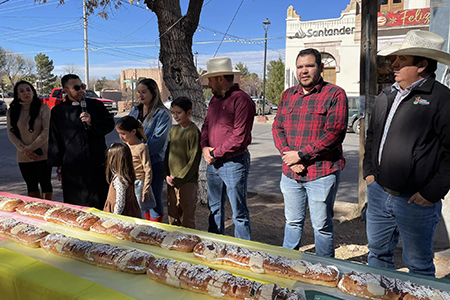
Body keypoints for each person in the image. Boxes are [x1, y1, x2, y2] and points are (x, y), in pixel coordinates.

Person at [363, 30, 450, 277]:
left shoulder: (442, 99)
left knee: (419, 266)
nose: (394, 65)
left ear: (422, 65)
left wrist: (432, 192)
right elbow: (372, 137)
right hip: (379, 194)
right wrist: (369, 173)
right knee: (377, 256)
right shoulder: (387, 95)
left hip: (415, 201)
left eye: (402, 60)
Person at [272, 48, 348, 257]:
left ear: (320, 67)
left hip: (321, 174)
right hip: (290, 173)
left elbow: (335, 133)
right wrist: (289, 156)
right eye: (300, 67)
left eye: (309, 66)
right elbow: (277, 127)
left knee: (322, 226)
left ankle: (324, 269)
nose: (304, 71)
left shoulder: (335, 94)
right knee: (293, 222)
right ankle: (288, 263)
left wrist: (301, 155)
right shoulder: (288, 95)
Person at [200, 57, 255, 240]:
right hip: (213, 162)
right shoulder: (214, 101)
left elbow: (239, 137)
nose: (208, 84)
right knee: (214, 208)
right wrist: (205, 148)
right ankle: (215, 244)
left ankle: (243, 250)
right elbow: (206, 126)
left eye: (210, 79)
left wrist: (214, 152)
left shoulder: (242, 100)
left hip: (234, 163)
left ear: (220, 79)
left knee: (239, 212)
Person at [48, 74, 115, 209]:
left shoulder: (95, 105)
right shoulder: (58, 111)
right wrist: (58, 163)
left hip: (97, 161)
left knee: (101, 200)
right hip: (73, 166)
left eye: (82, 86)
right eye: (76, 88)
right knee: (76, 205)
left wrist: (92, 123)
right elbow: (55, 138)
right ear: (66, 91)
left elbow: (109, 124)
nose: (81, 90)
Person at [129, 78, 172, 222]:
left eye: (144, 92)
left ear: (154, 92)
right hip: (135, 162)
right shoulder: (135, 110)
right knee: (138, 195)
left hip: (154, 161)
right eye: (138, 92)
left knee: (153, 196)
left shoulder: (162, 114)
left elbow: (158, 141)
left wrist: (138, 149)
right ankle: (142, 226)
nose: (140, 96)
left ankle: (155, 228)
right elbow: (126, 130)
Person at [7, 81, 53, 200]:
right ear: (17, 95)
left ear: (33, 91)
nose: (26, 93)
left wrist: (31, 148)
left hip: (42, 155)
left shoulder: (43, 108)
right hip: (23, 156)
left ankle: (48, 210)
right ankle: (35, 209)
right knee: (31, 187)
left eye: (28, 89)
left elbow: (46, 131)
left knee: (46, 185)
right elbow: (11, 133)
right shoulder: (12, 111)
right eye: (21, 91)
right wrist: (24, 150)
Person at [163, 96, 201, 229]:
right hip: (171, 180)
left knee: (187, 213)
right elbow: (167, 154)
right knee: (172, 213)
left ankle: (188, 241)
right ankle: (173, 241)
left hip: (187, 181)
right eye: (173, 112)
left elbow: (194, 160)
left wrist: (179, 177)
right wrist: (166, 175)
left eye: (179, 113)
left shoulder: (194, 132)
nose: (175, 116)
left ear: (189, 113)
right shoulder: (173, 130)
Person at [115, 116, 156, 219]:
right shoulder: (124, 145)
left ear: (133, 131)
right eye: (119, 133)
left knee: (139, 212)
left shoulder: (141, 147)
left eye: (123, 134)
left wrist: (145, 190)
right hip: (126, 183)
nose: (121, 137)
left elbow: (148, 169)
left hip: (138, 184)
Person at [104, 143, 141, 218]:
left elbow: (120, 203)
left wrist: (114, 218)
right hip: (131, 212)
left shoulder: (120, 180)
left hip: (123, 215)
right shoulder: (127, 175)